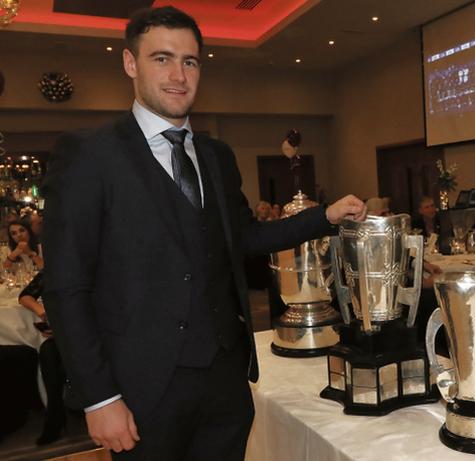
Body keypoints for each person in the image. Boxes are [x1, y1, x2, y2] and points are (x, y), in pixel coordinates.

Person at [41, 7, 366, 460]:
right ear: (130, 63)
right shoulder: (89, 155)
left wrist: (323, 217)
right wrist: (100, 397)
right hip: (142, 391)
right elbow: (66, 286)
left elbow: (244, 240)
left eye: (190, 61)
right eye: (162, 59)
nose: (179, 75)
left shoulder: (216, 155)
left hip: (225, 382)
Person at [19, 272, 67, 445]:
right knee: (48, 350)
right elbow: (25, 295)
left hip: (99, 333)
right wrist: (44, 313)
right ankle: (55, 414)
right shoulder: (53, 270)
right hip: (68, 333)